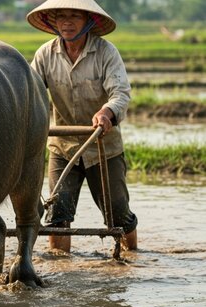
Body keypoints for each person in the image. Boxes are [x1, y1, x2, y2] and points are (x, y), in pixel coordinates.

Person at [26, 0, 138, 252]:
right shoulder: (45, 54)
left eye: (74, 16)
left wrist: (106, 112)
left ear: (89, 21)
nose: (67, 22)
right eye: (61, 16)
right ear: (53, 22)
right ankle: (61, 269)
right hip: (62, 146)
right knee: (57, 215)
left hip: (102, 145)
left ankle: (134, 260)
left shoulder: (106, 53)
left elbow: (120, 93)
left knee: (118, 215)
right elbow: (31, 93)